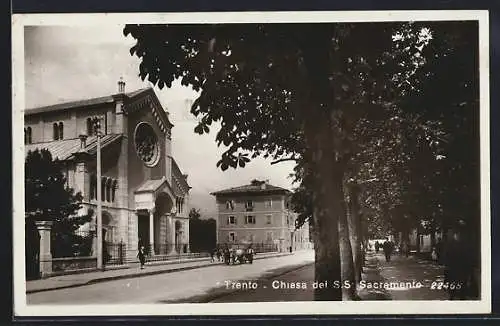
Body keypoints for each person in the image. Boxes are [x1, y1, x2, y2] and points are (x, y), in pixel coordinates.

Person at [443, 230, 474, 300]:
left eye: (460, 235)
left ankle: (462, 297)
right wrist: (447, 266)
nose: (459, 236)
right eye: (457, 234)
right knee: (453, 283)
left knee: (462, 283)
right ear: (455, 235)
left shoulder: (464, 245)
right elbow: (447, 256)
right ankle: (452, 296)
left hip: (462, 268)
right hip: (453, 268)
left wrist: (469, 268)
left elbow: (468, 257)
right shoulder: (450, 244)